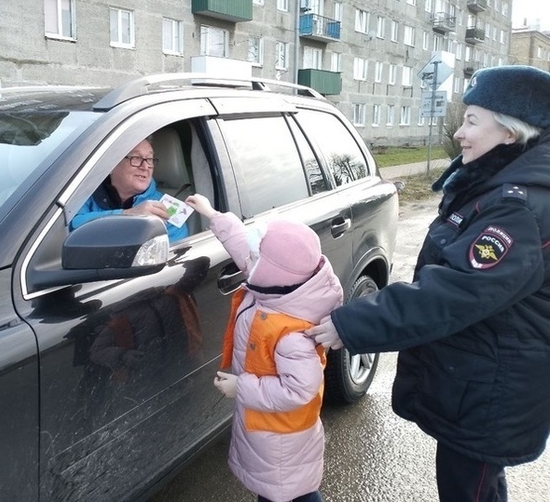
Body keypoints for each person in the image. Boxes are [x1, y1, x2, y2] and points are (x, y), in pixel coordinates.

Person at [306, 65, 550, 502]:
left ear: (510, 133)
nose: (459, 132)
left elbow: (454, 292)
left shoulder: (517, 206)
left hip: (490, 387)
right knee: (477, 485)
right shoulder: (504, 185)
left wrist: (352, 324)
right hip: (485, 375)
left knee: (468, 490)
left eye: (473, 120)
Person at [186, 193, 343, 502]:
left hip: (281, 437)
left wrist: (240, 386)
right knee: (280, 492)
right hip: (269, 429)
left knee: (287, 493)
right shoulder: (278, 286)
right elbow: (243, 247)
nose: (248, 262)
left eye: (256, 259)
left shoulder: (292, 333)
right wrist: (212, 213)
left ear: (273, 273)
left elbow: (299, 390)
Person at [70, 138, 188, 242]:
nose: (145, 167)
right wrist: (128, 215)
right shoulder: (86, 192)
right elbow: (70, 227)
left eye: (150, 159)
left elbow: (171, 260)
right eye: (136, 158)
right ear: (111, 165)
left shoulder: (167, 208)